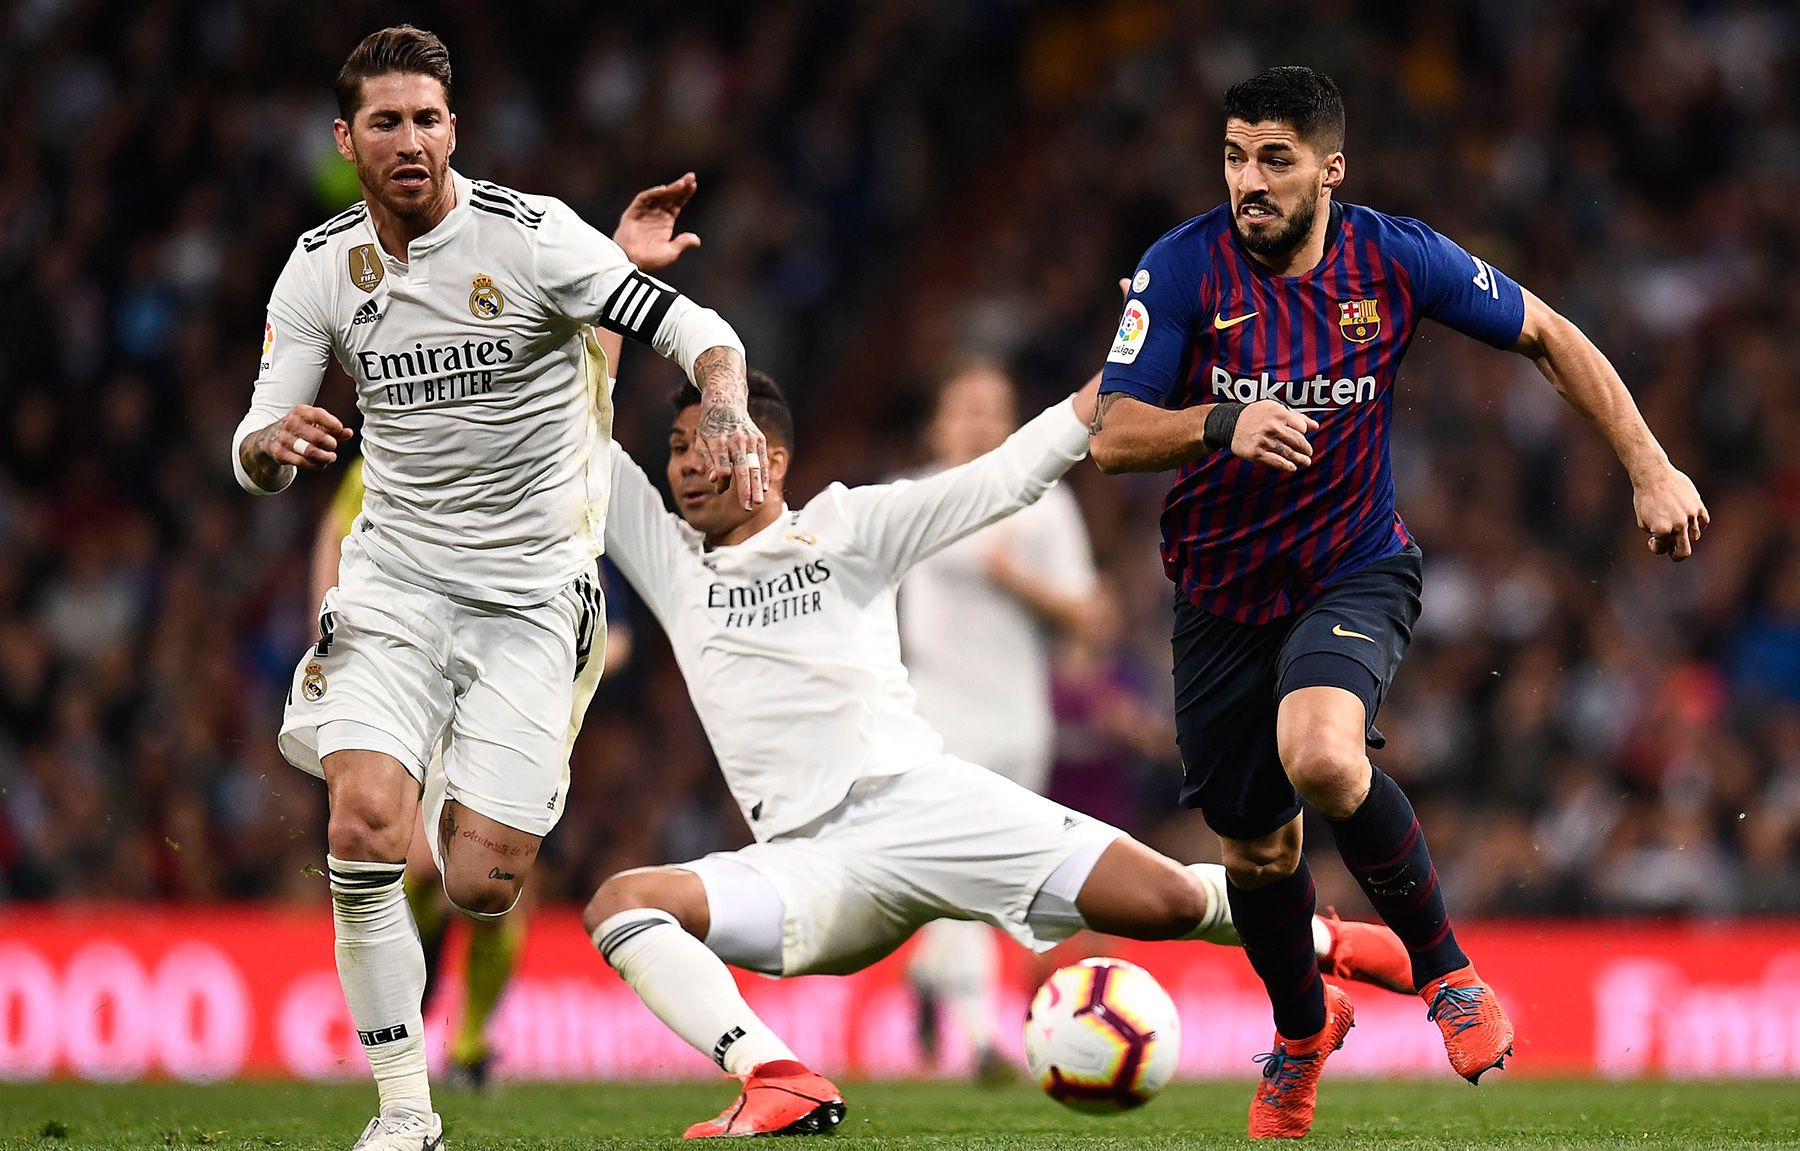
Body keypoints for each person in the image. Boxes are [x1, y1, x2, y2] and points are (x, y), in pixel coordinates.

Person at [1088, 67, 1709, 1139]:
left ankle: (1449, 973)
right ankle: (1300, 1031)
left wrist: (1650, 467)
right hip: (1220, 595)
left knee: (1323, 755)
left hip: (1352, 565)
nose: (1249, 181)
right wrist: (1221, 422)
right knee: (1258, 852)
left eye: (1275, 159)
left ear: (1332, 167)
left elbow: (1551, 335)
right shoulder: (1180, 267)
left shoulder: (1397, 255)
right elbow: (1111, 435)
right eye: (1235, 156)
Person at [584, 365, 1414, 1139]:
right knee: (622, 903)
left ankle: (1318, 938)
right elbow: (585, 432)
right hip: (807, 865)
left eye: (706, 442)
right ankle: (774, 1074)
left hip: (923, 803)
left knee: (1163, 901)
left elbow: (1009, 473)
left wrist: (1130, 359)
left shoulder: (845, 526)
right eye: (677, 448)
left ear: (769, 454)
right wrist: (606, 284)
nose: (686, 464)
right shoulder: (672, 565)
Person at [232, 25, 764, 1151]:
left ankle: (453, 822)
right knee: (367, 828)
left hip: (532, 596)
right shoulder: (322, 264)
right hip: (395, 582)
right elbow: (252, 434)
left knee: (479, 881)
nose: (411, 139)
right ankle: (405, 1112)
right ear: (349, 139)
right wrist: (269, 443)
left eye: (429, 119)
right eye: (387, 122)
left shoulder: (530, 240)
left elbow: (703, 330)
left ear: (455, 130)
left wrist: (724, 404)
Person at [896, 362, 1097, 1081]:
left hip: (1021, 717)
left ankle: (929, 976)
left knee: (995, 879)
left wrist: (1020, 582)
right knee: (963, 868)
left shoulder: (1043, 502)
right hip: (937, 711)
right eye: (967, 407)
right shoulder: (911, 498)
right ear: (938, 423)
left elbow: (1089, 612)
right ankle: (982, 1036)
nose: (981, 421)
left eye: (995, 408)